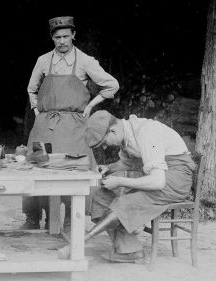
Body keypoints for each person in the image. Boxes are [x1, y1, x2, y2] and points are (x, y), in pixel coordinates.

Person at [21, 16, 119, 230]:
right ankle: (33, 218)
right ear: (52, 38)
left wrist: (91, 105)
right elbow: (31, 88)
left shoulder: (85, 61)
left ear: (74, 35)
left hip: (74, 127)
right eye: (58, 37)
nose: (62, 41)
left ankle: (68, 221)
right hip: (45, 125)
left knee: (72, 171)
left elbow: (111, 85)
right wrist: (38, 111)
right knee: (38, 168)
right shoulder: (43, 60)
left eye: (66, 36)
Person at [83, 110, 195, 263]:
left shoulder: (147, 133)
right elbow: (126, 163)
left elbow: (158, 182)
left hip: (176, 179)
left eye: (103, 142)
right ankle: (129, 250)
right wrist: (109, 168)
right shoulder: (126, 134)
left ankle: (85, 239)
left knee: (126, 202)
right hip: (160, 175)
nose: (104, 147)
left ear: (113, 130)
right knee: (101, 196)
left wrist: (120, 182)